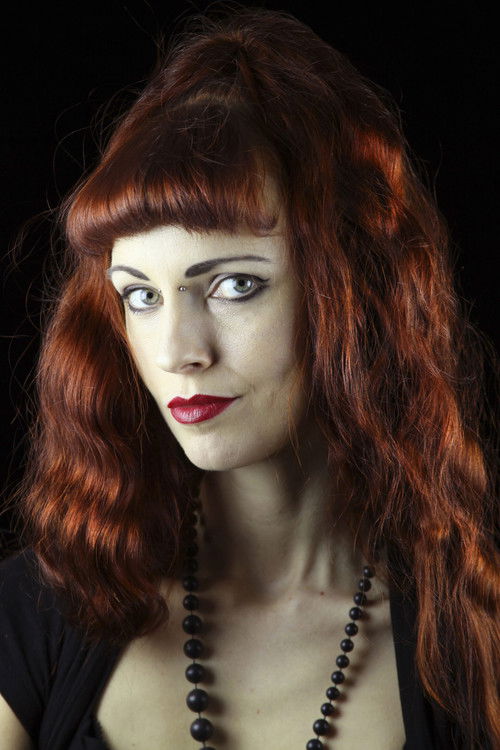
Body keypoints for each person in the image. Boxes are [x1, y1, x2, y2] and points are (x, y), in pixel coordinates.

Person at [0, 5, 498, 750]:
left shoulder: (472, 647)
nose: (177, 351)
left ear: (356, 293)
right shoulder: (32, 616)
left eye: (234, 285)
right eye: (141, 295)